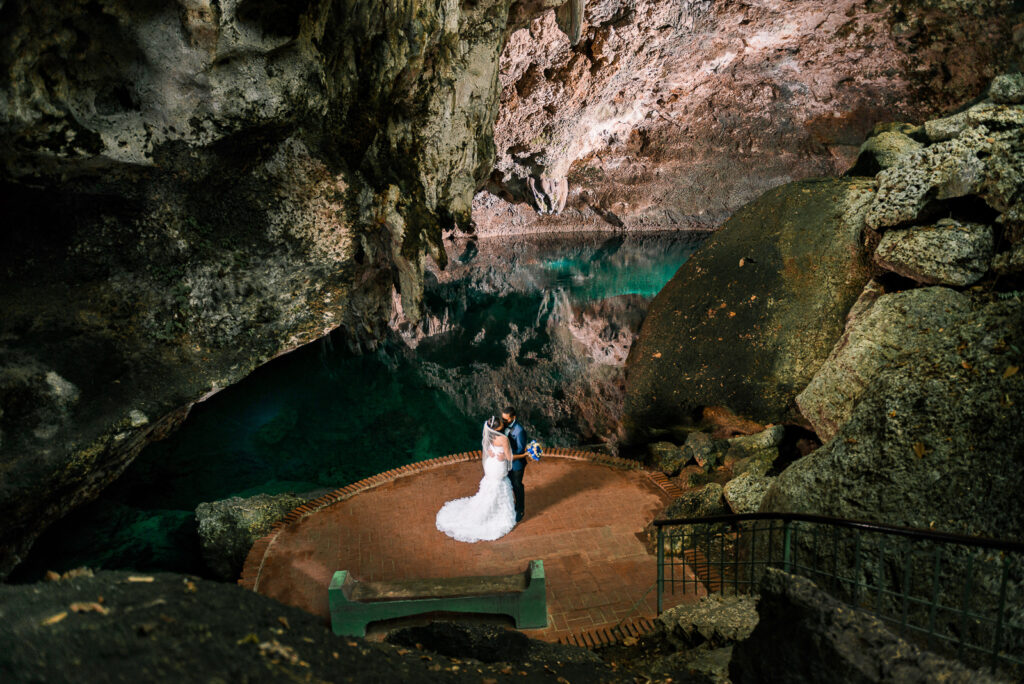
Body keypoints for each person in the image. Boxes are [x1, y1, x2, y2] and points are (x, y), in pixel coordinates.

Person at [435, 415, 517, 543]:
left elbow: (488, 448)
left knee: (491, 485)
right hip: (498, 464)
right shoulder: (503, 439)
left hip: (491, 464)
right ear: (499, 427)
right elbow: (509, 456)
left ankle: (490, 507)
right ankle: (493, 512)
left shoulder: (490, 435)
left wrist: (492, 452)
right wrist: (505, 457)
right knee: (498, 485)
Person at [501, 406, 528, 522]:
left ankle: (520, 509)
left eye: (506, 419)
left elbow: (521, 449)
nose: (504, 421)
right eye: (503, 419)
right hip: (505, 462)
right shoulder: (504, 425)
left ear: (513, 418)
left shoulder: (520, 430)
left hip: (516, 464)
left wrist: (507, 455)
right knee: (508, 483)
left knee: (517, 486)